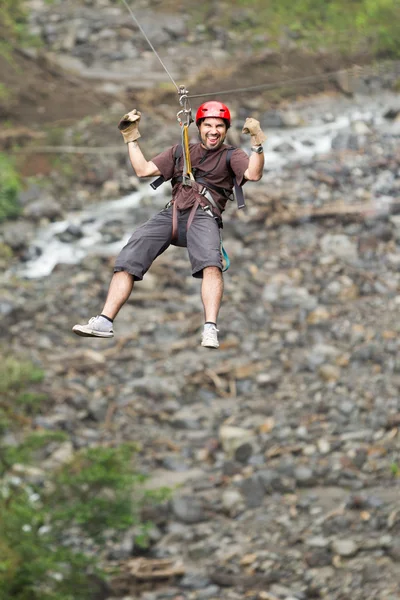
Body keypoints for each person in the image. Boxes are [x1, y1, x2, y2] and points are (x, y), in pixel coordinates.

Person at [72, 101, 266, 348]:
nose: (213, 131)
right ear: (199, 127)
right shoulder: (180, 151)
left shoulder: (232, 155)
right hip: (173, 213)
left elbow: (253, 174)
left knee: (211, 265)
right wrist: (130, 137)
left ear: (226, 130)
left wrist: (257, 144)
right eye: (208, 125)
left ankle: (210, 328)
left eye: (219, 126)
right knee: (129, 257)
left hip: (204, 215)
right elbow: (143, 170)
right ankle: (104, 321)